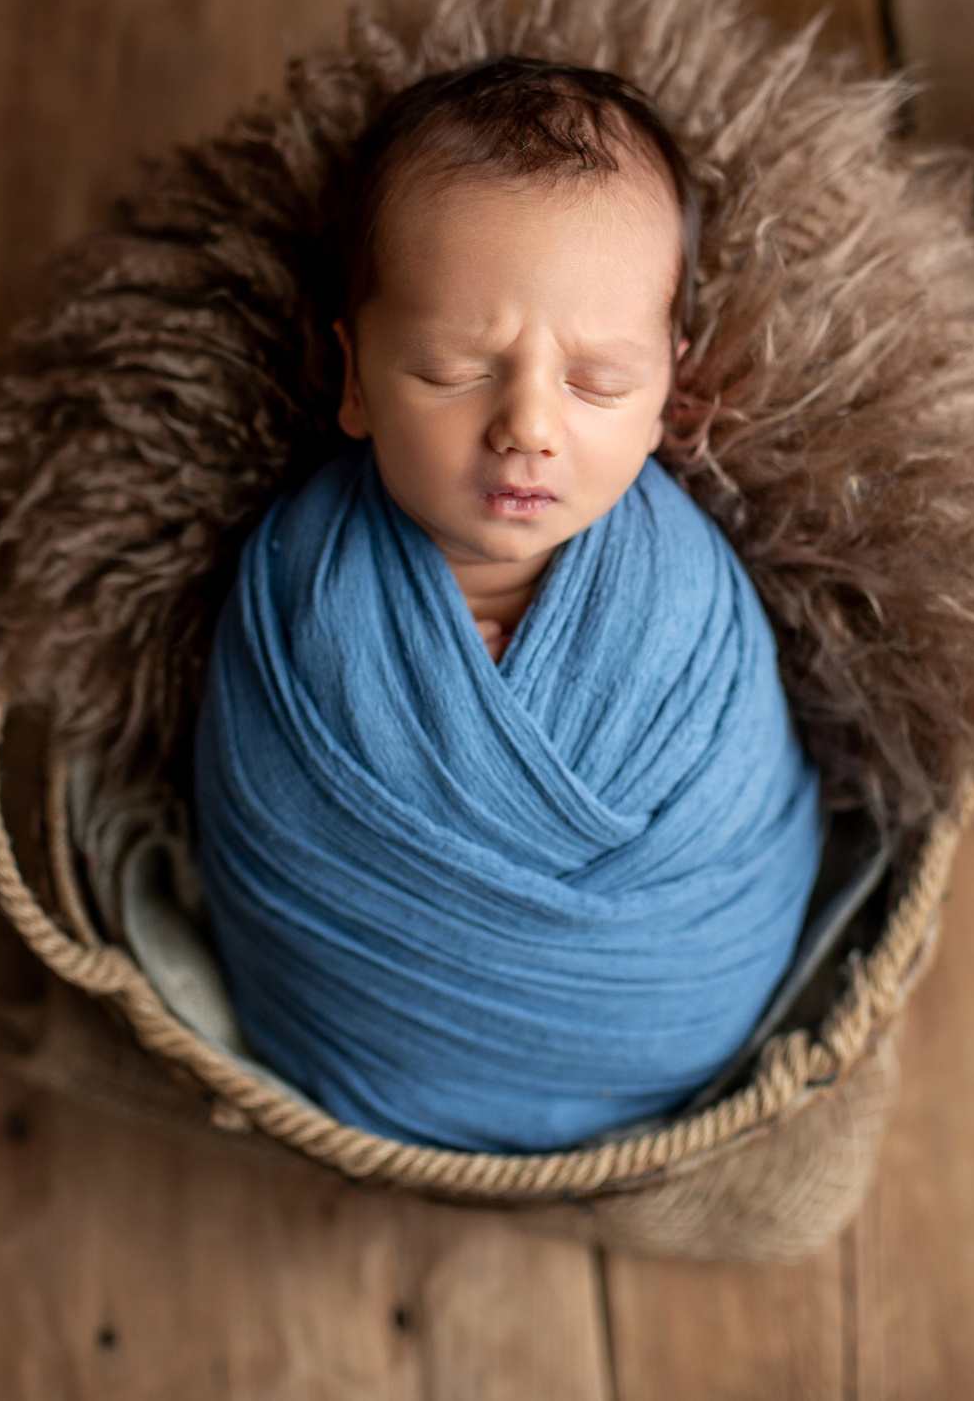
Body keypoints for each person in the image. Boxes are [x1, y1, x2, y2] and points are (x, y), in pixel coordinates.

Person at [192, 57, 823, 1152]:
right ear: (351, 377)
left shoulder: (688, 601)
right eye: (450, 369)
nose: (527, 426)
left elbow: (740, 828)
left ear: (669, 385)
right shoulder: (298, 580)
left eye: (597, 382)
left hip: (669, 1038)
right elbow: (262, 822)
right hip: (350, 1045)